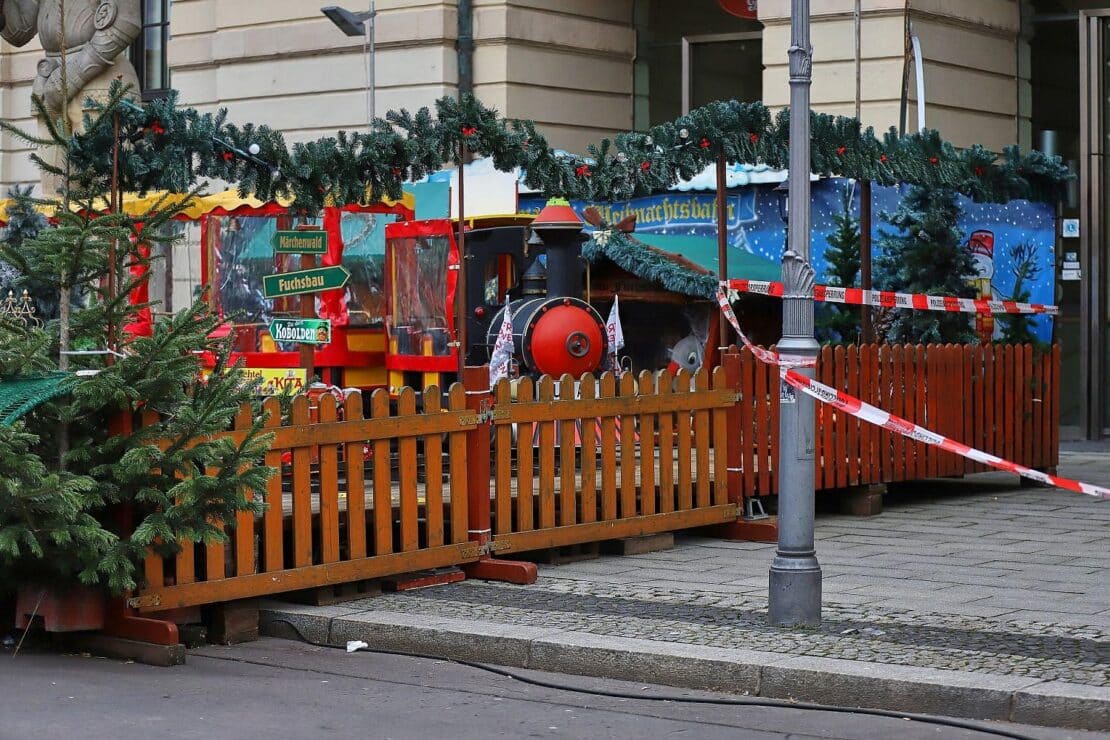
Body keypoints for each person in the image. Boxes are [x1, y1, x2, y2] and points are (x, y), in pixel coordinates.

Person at [0, 0, 141, 193]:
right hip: (50, 78)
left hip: (100, 79)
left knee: (102, 188)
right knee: (53, 190)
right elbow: (19, 31)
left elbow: (124, 22)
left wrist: (73, 74)